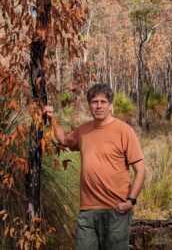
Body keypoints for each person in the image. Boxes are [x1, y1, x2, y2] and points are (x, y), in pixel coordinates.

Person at [45, 83, 145, 250]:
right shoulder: (83, 130)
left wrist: (131, 201)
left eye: (103, 102)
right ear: (89, 105)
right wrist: (51, 119)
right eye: (94, 102)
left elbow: (140, 170)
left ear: (110, 105)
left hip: (116, 210)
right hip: (87, 210)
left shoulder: (124, 131)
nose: (99, 106)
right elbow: (63, 140)